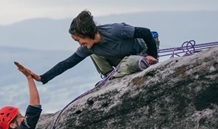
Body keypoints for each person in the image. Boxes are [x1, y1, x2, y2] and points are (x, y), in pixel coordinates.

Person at [24, 10, 159, 84]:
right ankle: (110, 76)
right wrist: (42, 77)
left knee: (130, 62)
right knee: (93, 53)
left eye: (78, 39)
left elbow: (146, 33)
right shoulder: (88, 47)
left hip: (141, 53)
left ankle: (143, 63)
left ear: (85, 33)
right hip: (123, 60)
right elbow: (67, 63)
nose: (79, 44)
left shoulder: (115, 30)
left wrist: (152, 55)